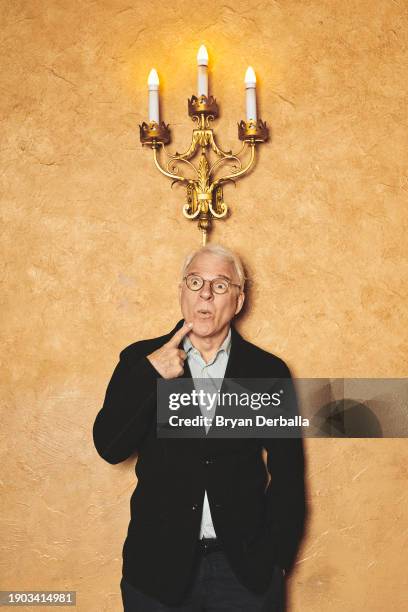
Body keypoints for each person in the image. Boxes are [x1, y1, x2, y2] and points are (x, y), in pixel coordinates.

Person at [92, 244, 307, 611]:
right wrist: (151, 376)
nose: (205, 293)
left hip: (245, 573)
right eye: (195, 282)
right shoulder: (139, 360)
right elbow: (110, 447)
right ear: (181, 292)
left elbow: (289, 474)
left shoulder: (266, 372)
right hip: (157, 573)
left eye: (220, 285)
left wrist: (276, 560)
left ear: (238, 301)